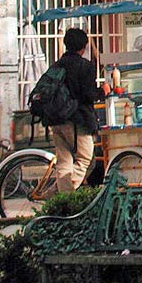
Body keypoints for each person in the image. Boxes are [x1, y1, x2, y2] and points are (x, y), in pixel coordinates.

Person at [52, 27, 103, 192]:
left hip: (56, 119)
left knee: (65, 162)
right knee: (86, 159)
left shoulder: (57, 65)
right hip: (76, 121)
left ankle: (55, 196)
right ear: (84, 46)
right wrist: (103, 92)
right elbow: (87, 94)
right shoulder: (85, 66)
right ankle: (63, 198)